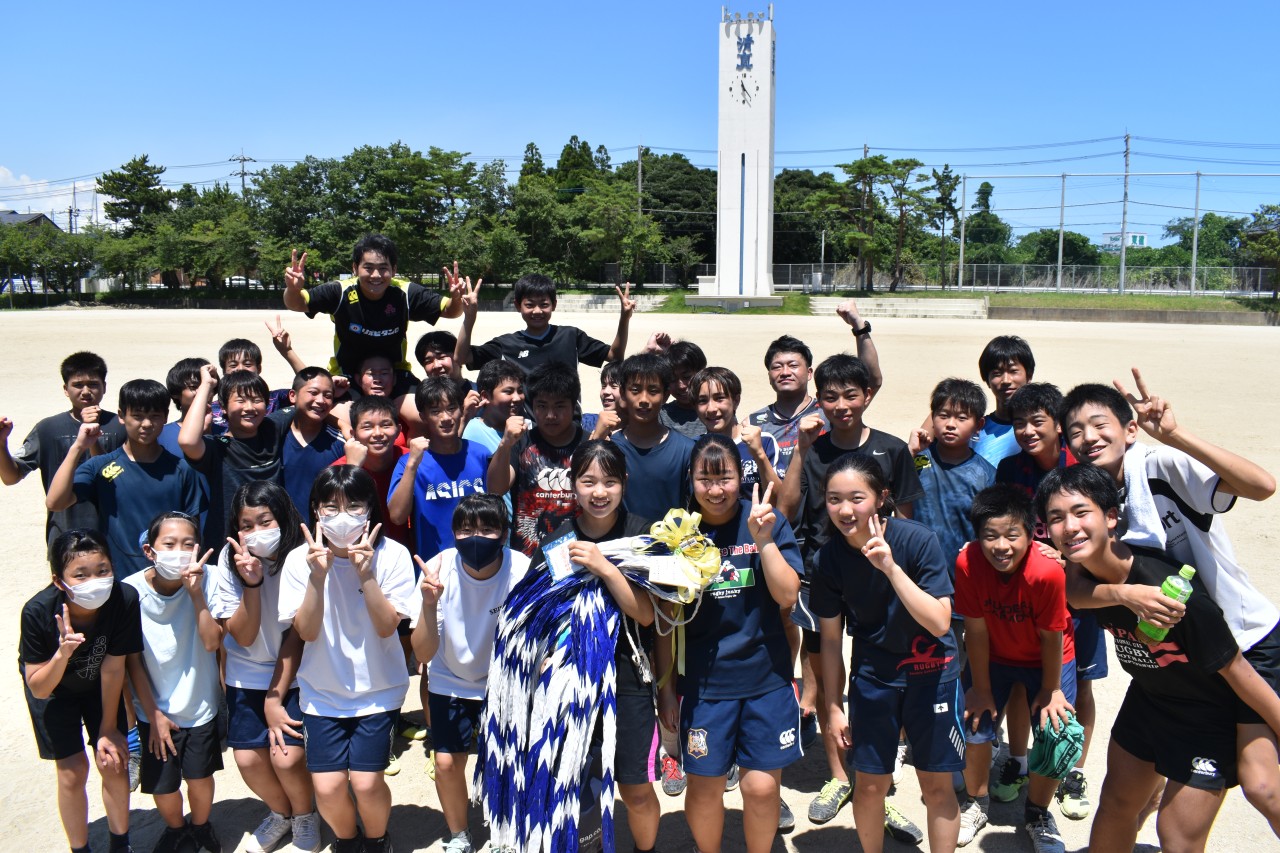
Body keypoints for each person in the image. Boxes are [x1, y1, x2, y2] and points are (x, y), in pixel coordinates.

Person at [1059, 373, 1280, 835]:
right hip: (1180, 660)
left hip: (1245, 640)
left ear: (1130, 429)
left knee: (1263, 786)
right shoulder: (1090, 504)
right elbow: (1074, 589)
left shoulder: (1161, 468)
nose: (1087, 437)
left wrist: (1176, 435)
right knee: (1130, 797)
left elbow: (1262, 486)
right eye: (1075, 431)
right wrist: (1126, 594)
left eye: (1099, 424)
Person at [776, 353, 923, 832]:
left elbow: (905, 516)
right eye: (831, 396)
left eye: (851, 395)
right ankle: (839, 776)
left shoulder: (891, 449)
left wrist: (901, 570)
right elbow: (789, 506)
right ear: (818, 398)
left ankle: (873, 782)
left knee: (878, 676)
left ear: (868, 395)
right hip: (826, 574)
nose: (841, 405)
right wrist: (800, 448)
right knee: (826, 674)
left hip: (881, 574)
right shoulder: (815, 448)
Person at [655, 434, 803, 851]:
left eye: (726, 478)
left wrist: (764, 540)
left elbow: (787, 596)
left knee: (759, 789)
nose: (716, 490)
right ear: (691, 479)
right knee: (704, 790)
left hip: (765, 679)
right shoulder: (676, 533)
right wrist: (665, 689)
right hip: (704, 688)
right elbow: (666, 622)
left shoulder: (766, 519)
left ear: (742, 477)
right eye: (706, 478)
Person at [811, 453, 962, 853]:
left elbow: (940, 622)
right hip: (874, 679)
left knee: (936, 784)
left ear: (881, 498)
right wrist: (833, 706)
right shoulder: (827, 558)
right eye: (834, 499)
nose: (845, 510)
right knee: (871, 783)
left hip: (933, 673)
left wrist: (891, 568)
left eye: (857, 498)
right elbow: (829, 639)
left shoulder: (916, 540)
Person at [528, 440, 662, 853]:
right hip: (572, 683)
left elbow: (645, 614)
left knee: (635, 787)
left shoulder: (642, 534)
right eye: (588, 482)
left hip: (628, 680)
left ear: (624, 483)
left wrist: (604, 566)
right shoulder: (558, 541)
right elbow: (541, 612)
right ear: (573, 485)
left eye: (609, 481)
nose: (598, 492)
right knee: (576, 781)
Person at [278, 466, 418, 853]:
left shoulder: (393, 555)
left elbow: (388, 627)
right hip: (322, 692)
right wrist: (318, 578)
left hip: (378, 689)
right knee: (327, 785)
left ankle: (376, 841)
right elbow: (305, 632)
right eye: (331, 507)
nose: (343, 517)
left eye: (354, 506)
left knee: (367, 782)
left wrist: (366, 575)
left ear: (370, 510)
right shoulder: (298, 561)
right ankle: (347, 839)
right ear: (315, 511)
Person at [995, 382, 1099, 820]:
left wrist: (1069, 555)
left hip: (1080, 597)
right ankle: (1018, 761)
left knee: (1081, 684)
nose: (1027, 430)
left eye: (1037, 421)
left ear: (1059, 424)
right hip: (1026, 598)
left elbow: (1104, 529)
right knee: (1023, 684)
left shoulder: (1084, 468)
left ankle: (1072, 770)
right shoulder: (1009, 469)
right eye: (1019, 422)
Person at [954, 485, 1076, 851]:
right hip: (994, 654)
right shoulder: (967, 562)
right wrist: (981, 688)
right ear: (977, 537)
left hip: (1047, 659)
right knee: (975, 724)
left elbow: (1051, 637)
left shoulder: (1047, 572)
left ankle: (1038, 812)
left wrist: (1051, 689)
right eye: (990, 536)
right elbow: (974, 630)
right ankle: (976, 801)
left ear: (1030, 533)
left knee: (1055, 735)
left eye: (1012, 535)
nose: (1001, 546)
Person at [411, 494, 531, 853]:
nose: (476, 536)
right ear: (453, 534)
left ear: (505, 533)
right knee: (446, 762)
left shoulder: (522, 569)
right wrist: (430, 604)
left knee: (506, 762)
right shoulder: (438, 568)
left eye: (487, 528)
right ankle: (459, 833)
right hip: (450, 676)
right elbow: (423, 652)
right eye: (465, 529)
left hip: (503, 681)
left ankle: (503, 832)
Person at [208, 482, 320, 853]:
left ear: (282, 516)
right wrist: (251, 583)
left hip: (295, 671)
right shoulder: (229, 560)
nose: (256, 532)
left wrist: (274, 699)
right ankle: (280, 813)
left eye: (264, 520)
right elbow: (241, 635)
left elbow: (298, 635)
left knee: (286, 758)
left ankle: (306, 815)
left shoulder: (302, 556)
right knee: (248, 759)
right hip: (247, 671)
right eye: (246, 525)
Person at [21, 529, 140, 853]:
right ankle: (80, 849)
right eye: (80, 575)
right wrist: (62, 654)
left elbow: (115, 666)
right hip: (55, 691)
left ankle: (120, 844)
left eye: (102, 570)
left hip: (99, 686)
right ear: (60, 581)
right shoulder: (38, 612)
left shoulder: (123, 598)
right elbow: (39, 688)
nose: (94, 581)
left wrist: (107, 730)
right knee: (73, 771)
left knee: (113, 760)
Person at [282, 235, 466, 425]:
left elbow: (450, 311)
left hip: (394, 374)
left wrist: (457, 298)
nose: (376, 275)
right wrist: (293, 289)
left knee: (424, 418)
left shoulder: (405, 293)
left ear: (394, 270)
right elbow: (298, 304)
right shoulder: (340, 292)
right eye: (368, 268)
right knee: (338, 422)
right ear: (355, 268)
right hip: (347, 374)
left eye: (383, 268)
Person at [122, 512, 223, 853]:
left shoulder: (210, 578)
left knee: (199, 777)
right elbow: (131, 659)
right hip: (154, 710)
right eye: (169, 544)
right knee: (163, 786)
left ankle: (200, 826)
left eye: (188, 544)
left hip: (200, 703)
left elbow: (212, 643)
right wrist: (151, 713)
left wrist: (196, 594)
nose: (179, 551)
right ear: (150, 550)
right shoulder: (129, 593)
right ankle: (176, 829)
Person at [45, 379, 205, 578]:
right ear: (121, 416)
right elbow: (55, 502)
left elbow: (193, 529)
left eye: (155, 416)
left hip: (170, 577)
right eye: (137, 416)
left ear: (165, 417)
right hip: (119, 577)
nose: (146, 424)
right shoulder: (101, 467)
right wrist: (78, 447)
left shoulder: (182, 470)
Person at [0, 351, 127, 550]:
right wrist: (1, 444)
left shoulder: (121, 426)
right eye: (77, 385)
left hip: (115, 533)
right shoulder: (48, 429)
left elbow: (111, 475)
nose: (86, 391)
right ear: (65, 389)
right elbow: (11, 477)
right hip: (64, 534)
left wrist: (93, 430)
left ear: (104, 388)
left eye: (93, 384)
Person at [179, 365, 287, 549]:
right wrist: (206, 385)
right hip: (228, 545)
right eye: (240, 401)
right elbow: (187, 441)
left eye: (257, 400)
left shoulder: (272, 427)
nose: (250, 407)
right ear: (222, 408)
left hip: (275, 542)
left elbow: (306, 401)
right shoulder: (218, 447)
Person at [486, 363, 587, 556]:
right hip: (528, 558)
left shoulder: (588, 443)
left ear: (574, 406)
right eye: (542, 406)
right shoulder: (520, 442)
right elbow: (495, 489)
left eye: (559, 406)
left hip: (579, 556)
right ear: (532, 407)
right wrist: (504, 444)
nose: (550, 415)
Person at [387, 377, 490, 562]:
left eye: (452, 408)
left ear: (461, 409)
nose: (446, 418)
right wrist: (412, 465)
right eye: (435, 411)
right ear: (423, 416)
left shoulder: (481, 454)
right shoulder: (408, 462)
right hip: (433, 570)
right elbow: (397, 516)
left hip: (481, 565)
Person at [454, 273, 632, 377]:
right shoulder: (506, 344)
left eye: (544, 304)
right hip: (525, 430)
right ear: (518, 306)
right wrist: (469, 318)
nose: (537, 311)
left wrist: (624, 318)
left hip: (567, 426)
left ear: (554, 305)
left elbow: (614, 356)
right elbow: (461, 358)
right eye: (529, 304)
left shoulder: (571, 336)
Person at [911, 377, 996, 563]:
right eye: (943, 415)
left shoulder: (986, 474)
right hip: (917, 566)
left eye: (961, 418)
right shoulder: (917, 460)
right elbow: (890, 487)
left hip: (965, 569)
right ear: (932, 418)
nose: (950, 424)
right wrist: (909, 453)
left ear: (979, 425)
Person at [609, 353, 696, 524]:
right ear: (623, 394)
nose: (643, 400)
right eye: (635, 390)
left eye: (653, 391)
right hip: (620, 547)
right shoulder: (611, 448)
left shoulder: (686, 449)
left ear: (665, 396)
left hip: (671, 547)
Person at [690, 366, 781, 499]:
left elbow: (780, 498)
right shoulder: (693, 447)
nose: (711, 408)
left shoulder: (764, 441)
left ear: (736, 401)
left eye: (719, 398)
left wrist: (759, 454)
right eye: (702, 401)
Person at [334, 396, 409, 547]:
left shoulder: (413, 461)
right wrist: (352, 468)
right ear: (353, 433)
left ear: (399, 430)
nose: (378, 433)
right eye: (367, 427)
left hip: (409, 556)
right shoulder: (337, 471)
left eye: (386, 425)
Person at [272, 367, 344, 525]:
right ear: (293, 395)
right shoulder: (273, 437)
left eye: (328, 395)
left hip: (323, 538)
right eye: (313, 392)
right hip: (280, 538)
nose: (321, 400)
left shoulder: (340, 442)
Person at [208, 338, 293, 436]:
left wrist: (287, 352)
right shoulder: (212, 409)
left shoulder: (274, 399)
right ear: (224, 371)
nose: (240, 369)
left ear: (259, 368)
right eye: (233, 365)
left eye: (247, 364)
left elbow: (306, 391)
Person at [972, 335, 1036, 466]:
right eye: (996, 373)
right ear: (987, 380)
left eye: (1013, 371)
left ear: (1028, 376)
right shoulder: (976, 430)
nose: (1006, 380)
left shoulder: (1041, 429)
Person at [659, 340, 708, 440]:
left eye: (687, 377)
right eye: (672, 379)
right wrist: (649, 352)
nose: (681, 386)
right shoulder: (661, 415)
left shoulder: (715, 412)